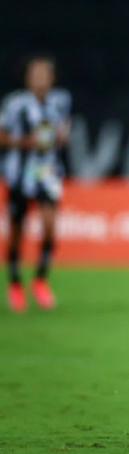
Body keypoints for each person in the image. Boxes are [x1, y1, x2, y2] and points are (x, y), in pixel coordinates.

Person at [1, 55, 71, 312]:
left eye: (46, 73)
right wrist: (25, 143)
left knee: (51, 227)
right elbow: (2, 136)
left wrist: (62, 136)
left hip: (48, 172)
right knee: (17, 232)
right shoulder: (15, 104)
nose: (41, 78)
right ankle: (16, 282)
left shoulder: (60, 102)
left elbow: (62, 131)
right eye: (36, 73)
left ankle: (40, 279)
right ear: (27, 78)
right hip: (20, 173)